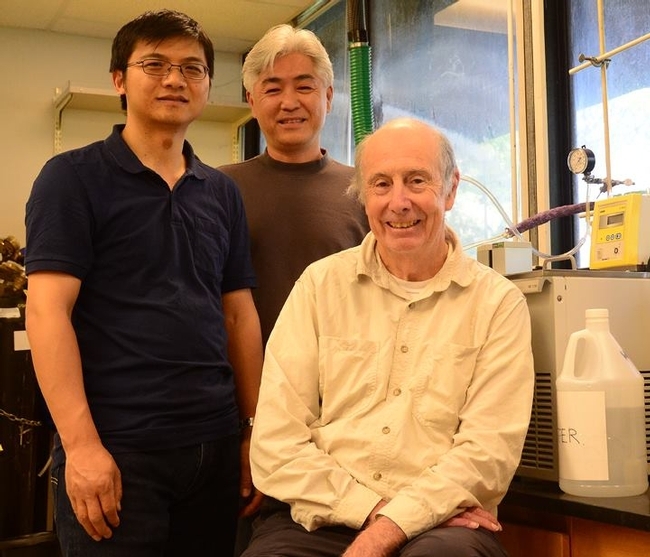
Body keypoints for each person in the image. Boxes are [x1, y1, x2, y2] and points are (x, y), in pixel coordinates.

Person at [24, 9, 262, 557]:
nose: (175, 79)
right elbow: (47, 313)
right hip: (118, 448)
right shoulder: (72, 178)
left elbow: (236, 314)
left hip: (214, 445)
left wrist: (252, 432)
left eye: (192, 68)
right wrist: (81, 448)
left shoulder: (221, 193)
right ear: (119, 80)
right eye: (154, 64)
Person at [242, 118, 535, 557]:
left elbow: (486, 455)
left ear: (451, 190)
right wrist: (379, 514)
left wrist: (393, 528)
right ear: (364, 196)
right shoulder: (320, 287)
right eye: (381, 184)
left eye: (417, 181)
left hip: (442, 526)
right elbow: (275, 445)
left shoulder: (498, 305)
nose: (399, 202)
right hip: (320, 516)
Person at [219, 24, 369, 347]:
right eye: (273, 89)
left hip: (345, 382)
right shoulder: (219, 189)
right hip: (241, 385)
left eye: (304, 87)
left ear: (328, 97)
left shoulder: (365, 190)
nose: (289, 102)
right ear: (252, 101)